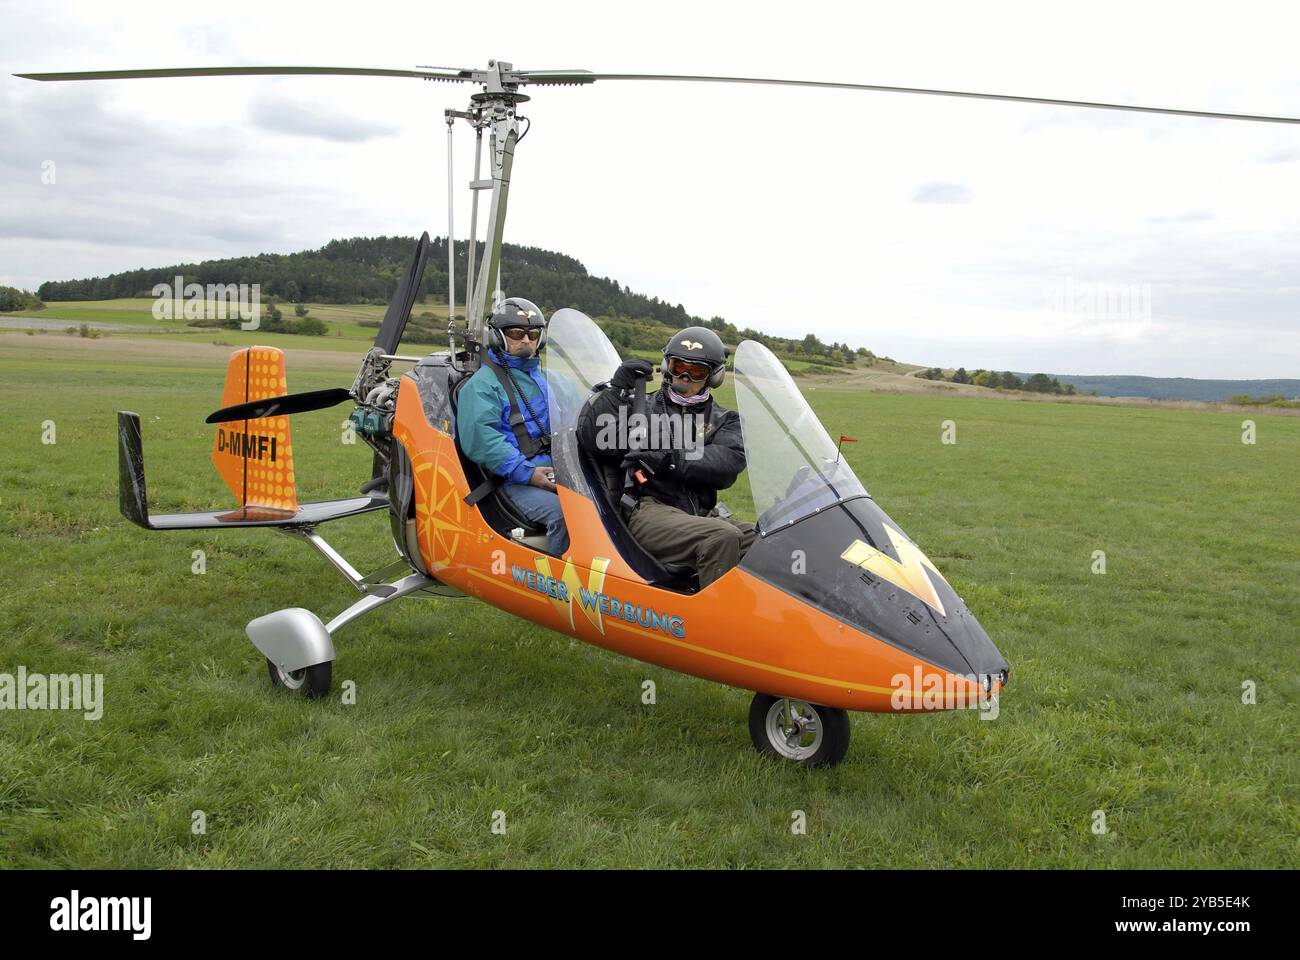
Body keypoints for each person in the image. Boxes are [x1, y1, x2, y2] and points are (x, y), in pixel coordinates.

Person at [578, 326, 755, 587]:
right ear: (666, 365)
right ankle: (712, 625)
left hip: (700, 516)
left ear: (713, 376)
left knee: (770, 539)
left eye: (696, 371)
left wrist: (671, 458)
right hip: (647, 511)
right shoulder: (641, 409)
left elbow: (727, 464)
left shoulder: (725, 420)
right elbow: (595, 439)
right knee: (721, 537)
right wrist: (615, 392)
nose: (683, 376)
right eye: (677, 365)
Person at [456, 297, 569, 556]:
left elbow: (582, 416)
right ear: (497, 337)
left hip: (559, 475)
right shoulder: (483, 386)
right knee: (565, 515)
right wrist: (527, 472)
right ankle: (558, 586)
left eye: (533, 334)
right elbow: (481, 440)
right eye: (517, 333)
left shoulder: (554, 380)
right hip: (514, 481)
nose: (526, 340)